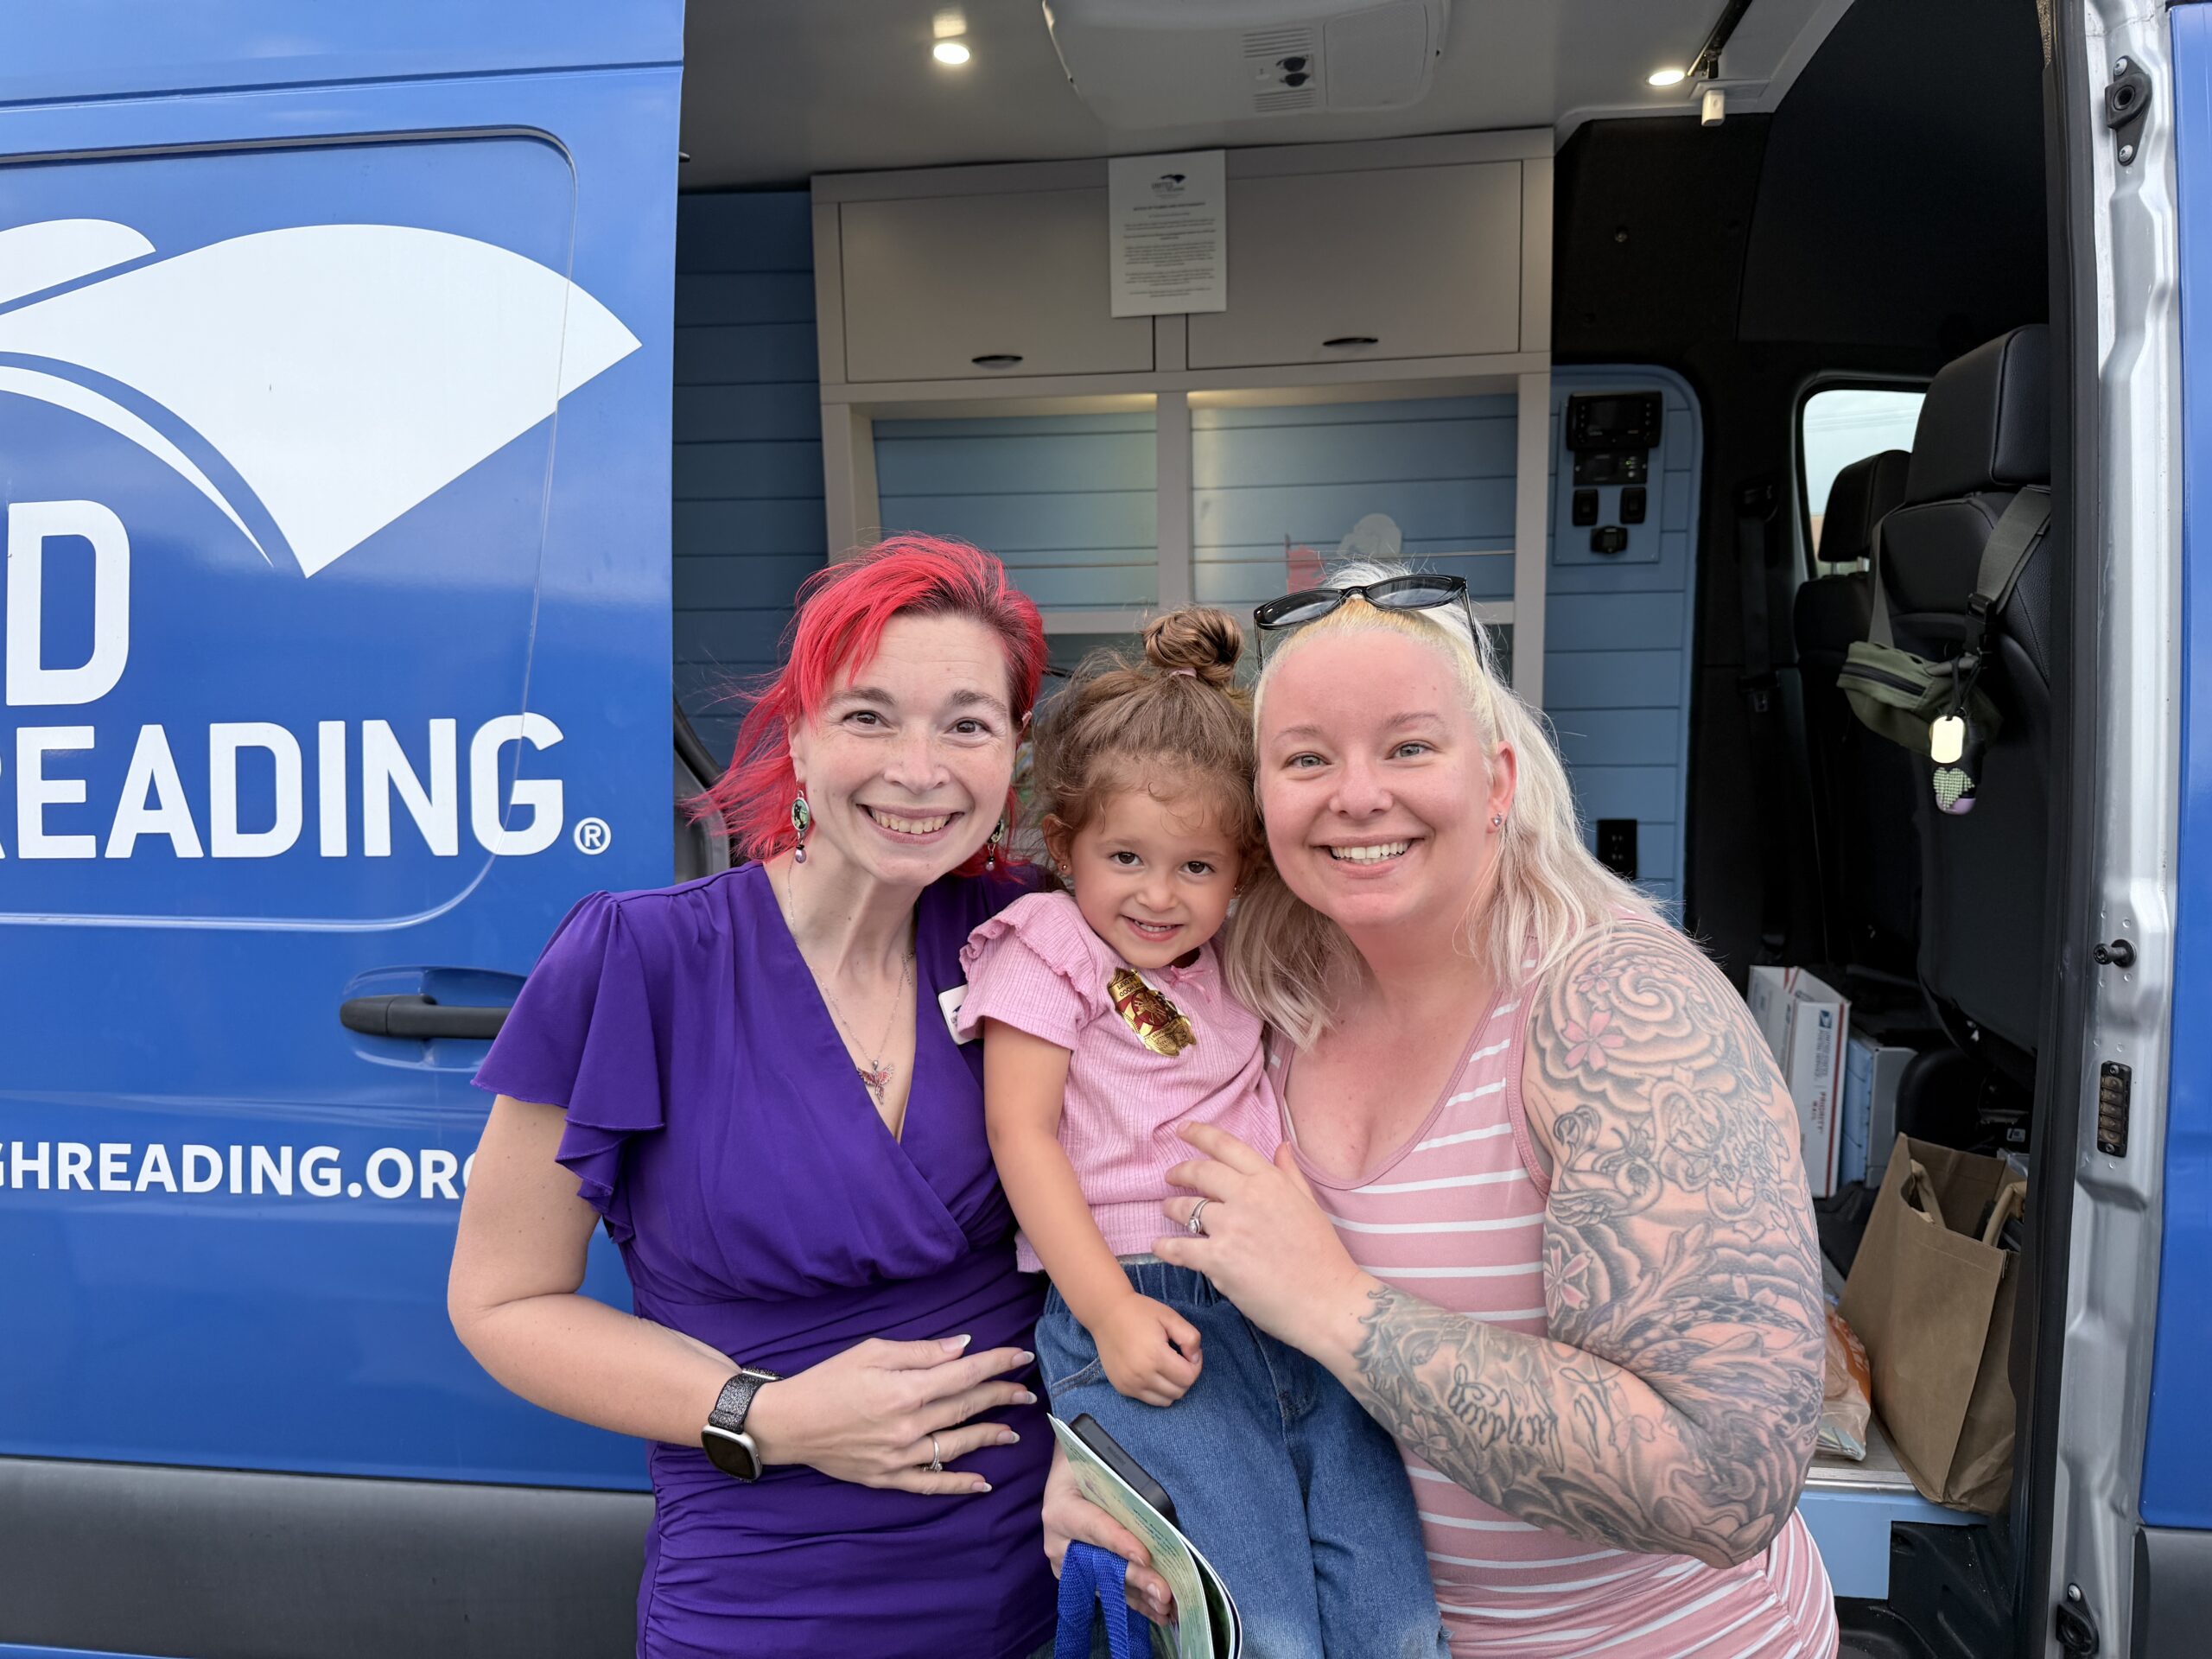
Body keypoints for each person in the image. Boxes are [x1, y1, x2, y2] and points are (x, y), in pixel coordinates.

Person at [1052, 561, 1840, 1657]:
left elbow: (1724, 1480)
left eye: (1409, 747)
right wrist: (1099, 1460)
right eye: (1307, 758)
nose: (1357, 794)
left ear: (1500, 776)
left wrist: (1337, 1306)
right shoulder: (1256, 988)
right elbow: (1140, 1241)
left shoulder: (1619, 1008)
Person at [448, 537, 1065, 1659]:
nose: (919, 769)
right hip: (764, 1601)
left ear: (1014, 750)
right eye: (869, 716)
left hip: (1023, 1584)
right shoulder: (637, 960)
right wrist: (766, 1417)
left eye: (967, 724)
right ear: (799, 732)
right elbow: (502, 1303)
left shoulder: (1033, 938)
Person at [959, 609, 1449, 1659]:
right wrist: (1110, 1311)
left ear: (1240, 872)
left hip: (1286, 1293)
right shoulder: (1049, 949)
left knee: (1393, 1616)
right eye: (1126, 856)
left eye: (1195, 868)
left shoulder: (1237, 958)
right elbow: (1022, 1134)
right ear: (1064, 845)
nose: (1157, 893)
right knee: (1253, 1625)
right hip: (1142, 1297)